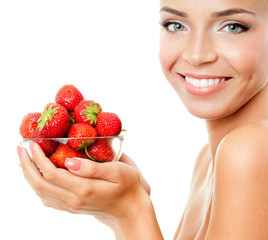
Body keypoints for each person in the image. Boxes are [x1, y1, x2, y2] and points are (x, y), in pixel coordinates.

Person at [17, 0, 268, 239]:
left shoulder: (250, 150)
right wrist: (115, 212)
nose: (197, 54)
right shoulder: (208, 160)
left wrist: (131, 210)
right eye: (176, 25)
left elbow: (131, 213)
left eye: (233, 27)